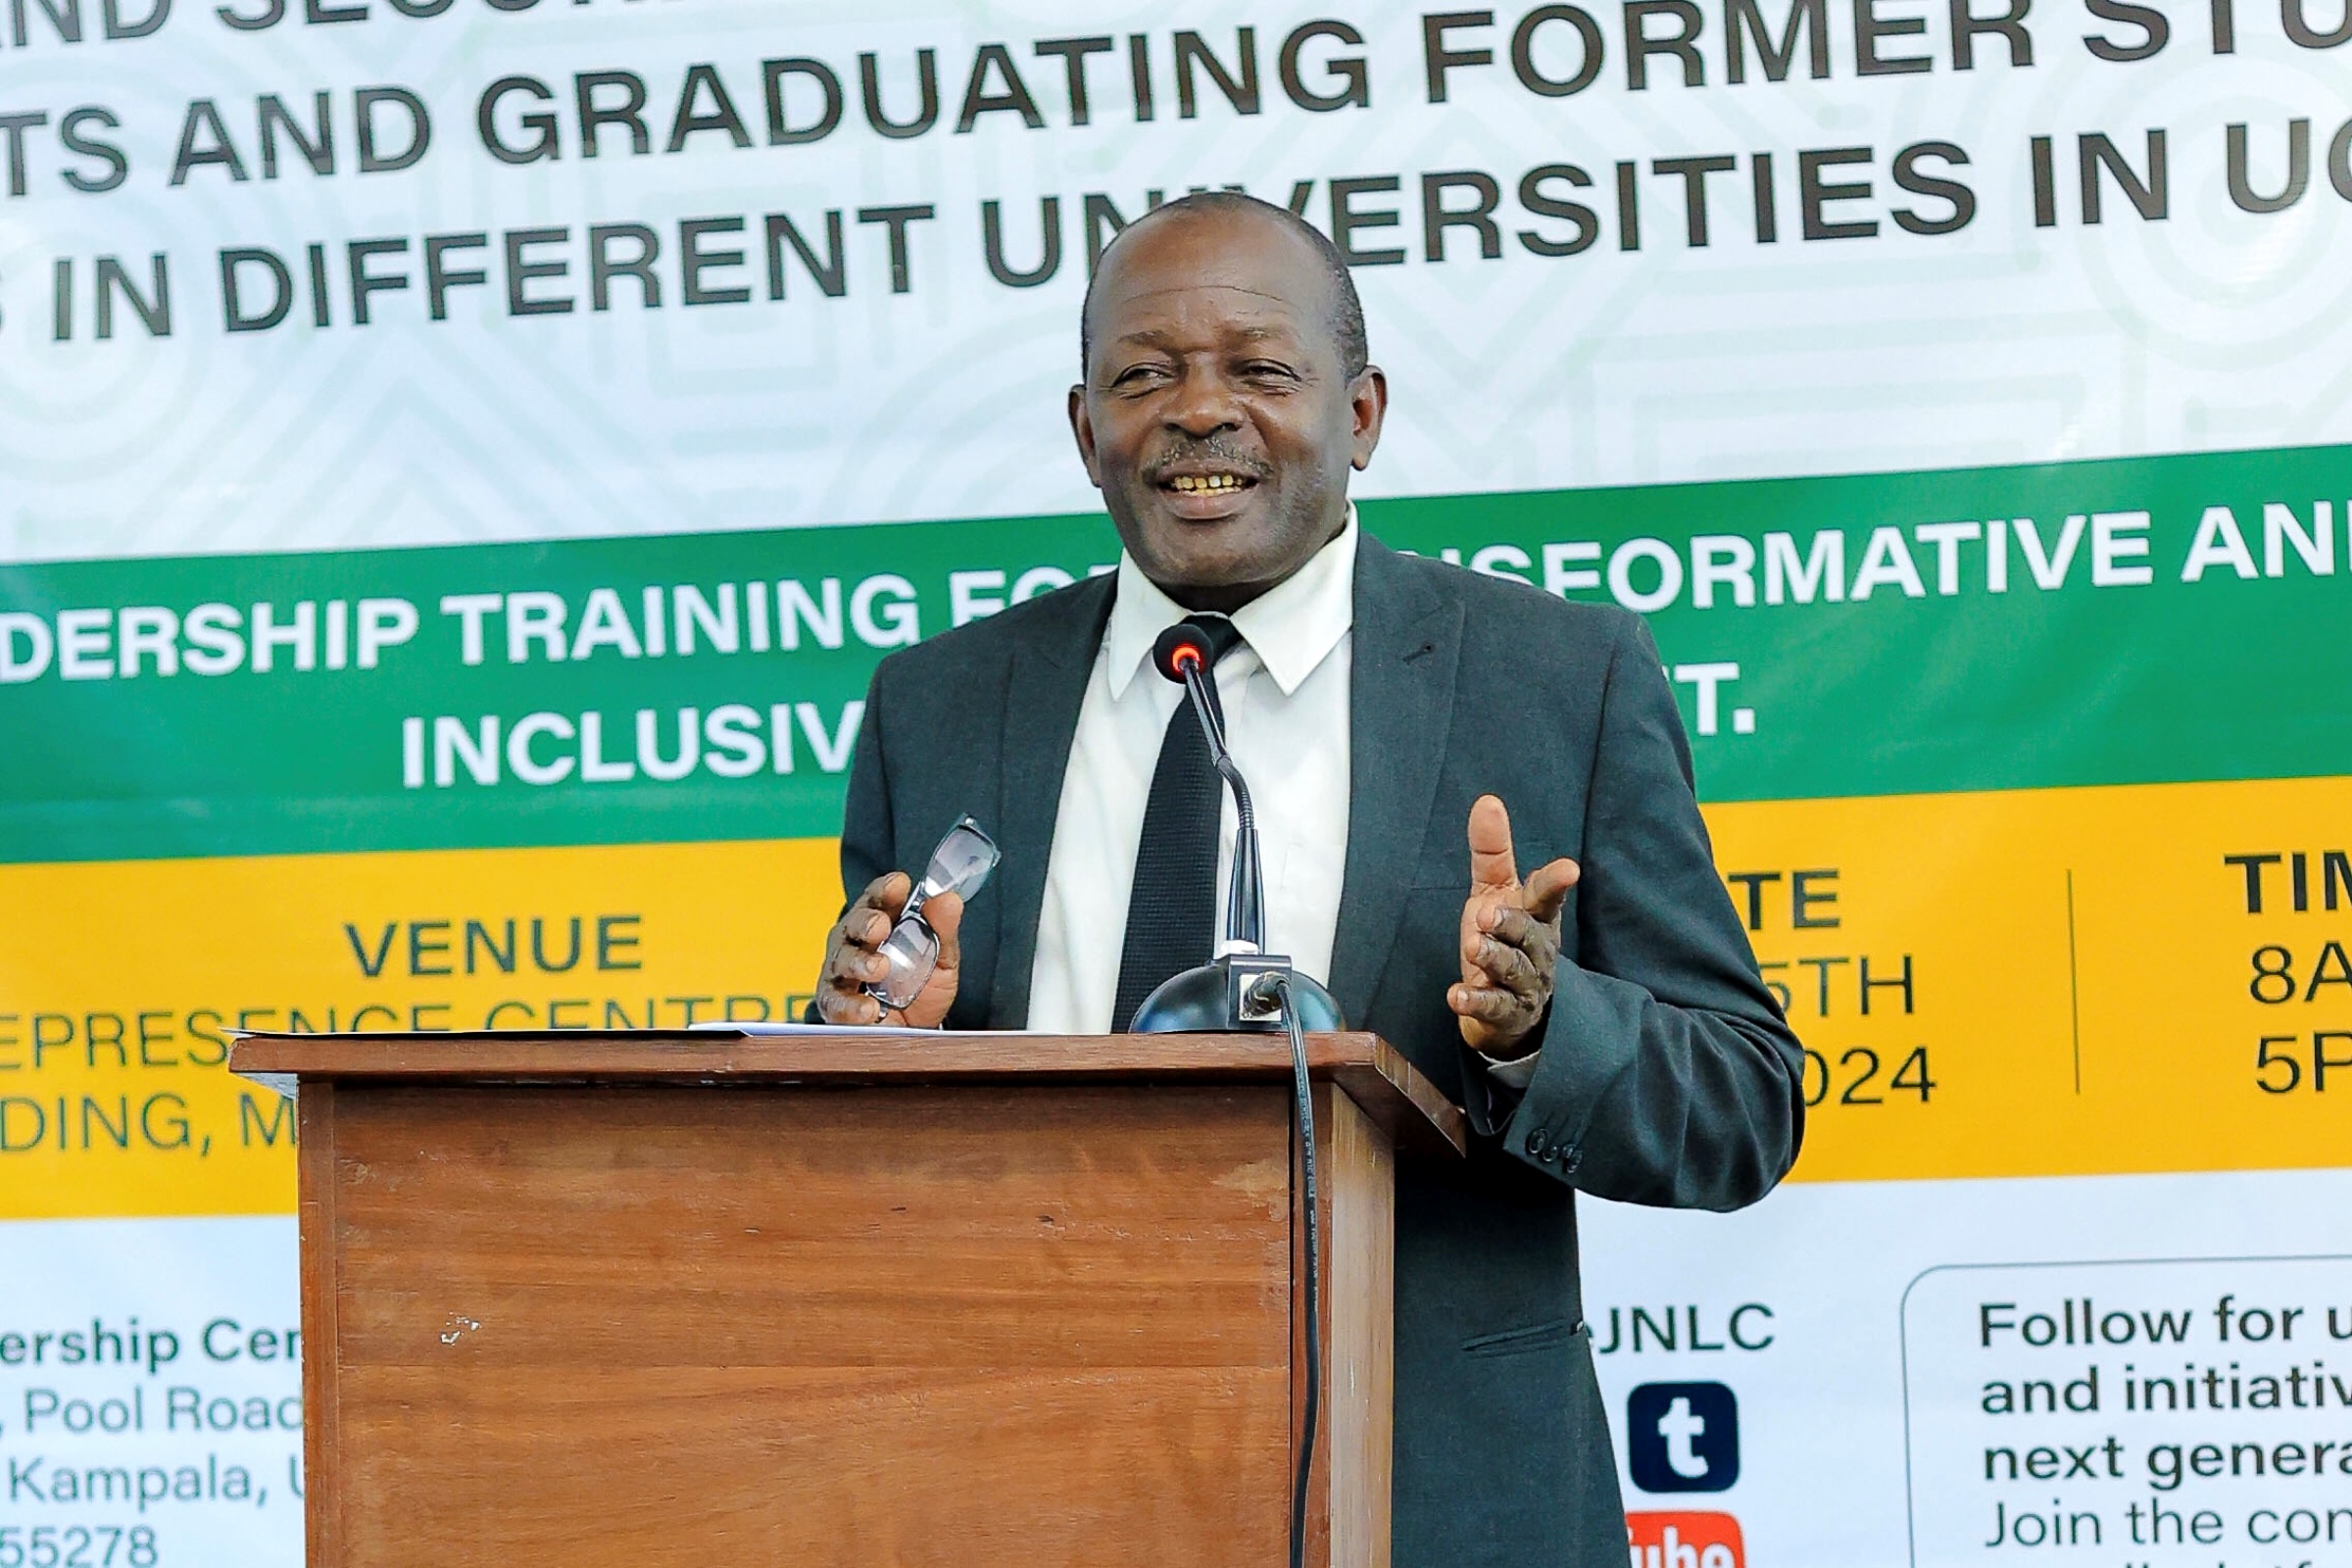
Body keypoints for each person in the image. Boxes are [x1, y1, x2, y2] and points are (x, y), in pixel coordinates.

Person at [813, 190, 1803, 1565]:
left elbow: (1743, 1106)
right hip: (1022, 1480)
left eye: (1261, 372)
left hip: (1434, 1493)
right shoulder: (939, 704)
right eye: (1142, 375)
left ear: (1362, 414)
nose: (1196, 412)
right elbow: (858, 1165)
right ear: (1084, 426)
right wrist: (869, 1057)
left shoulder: (1556, 680)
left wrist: (1538, 1031)